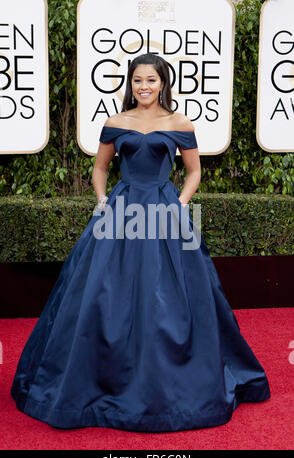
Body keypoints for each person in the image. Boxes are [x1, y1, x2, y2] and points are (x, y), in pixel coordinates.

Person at [11, 53, 270, 432]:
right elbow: (100, 168)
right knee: (101, 291)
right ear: (130, 85)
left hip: (165, 211)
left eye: (151, 80)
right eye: (137, 81)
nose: (143, 87)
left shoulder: (180, 123)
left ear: (163, 82)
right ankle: (98, 377)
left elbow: (194, 171)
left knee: (171, 294)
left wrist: (179, 205)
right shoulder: (116, 122)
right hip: (121, 210)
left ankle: (169, 379)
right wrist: (102, 202)